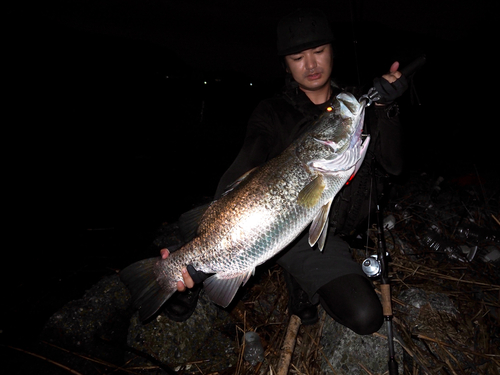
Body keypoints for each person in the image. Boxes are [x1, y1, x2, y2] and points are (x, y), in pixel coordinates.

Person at [160, 8, 406, 334]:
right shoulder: (272, 111)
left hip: (325, 236)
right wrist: (195, 244)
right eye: (297, 57)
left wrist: (386, 111)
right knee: (202, 263)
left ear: (333, 50)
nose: (311, 65)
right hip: (264, 230)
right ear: (286, 65)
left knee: (366, 317)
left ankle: (298, 276)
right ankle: (198, 274)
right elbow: (238, 172)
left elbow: (394, 165)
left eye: (319, 51)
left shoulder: (353, 107)